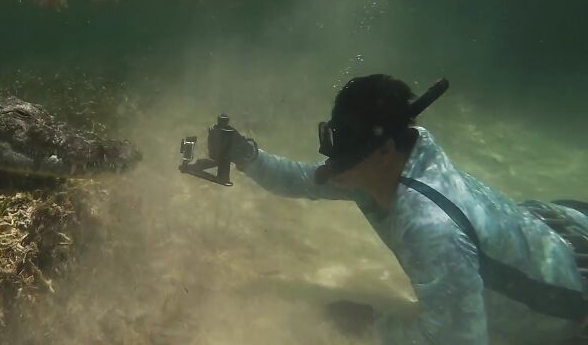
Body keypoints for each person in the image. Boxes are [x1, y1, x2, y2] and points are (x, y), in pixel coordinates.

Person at [226, 74, 588, 345]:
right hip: (555, 230)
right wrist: (245, 155)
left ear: (384, 151)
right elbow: (302, 180)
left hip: (570, 302)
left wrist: (374, 324)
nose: (334, 158)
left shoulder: (428, 227)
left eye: (347, 140)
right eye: (336, 135)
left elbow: (458, 340)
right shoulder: (393, 163)